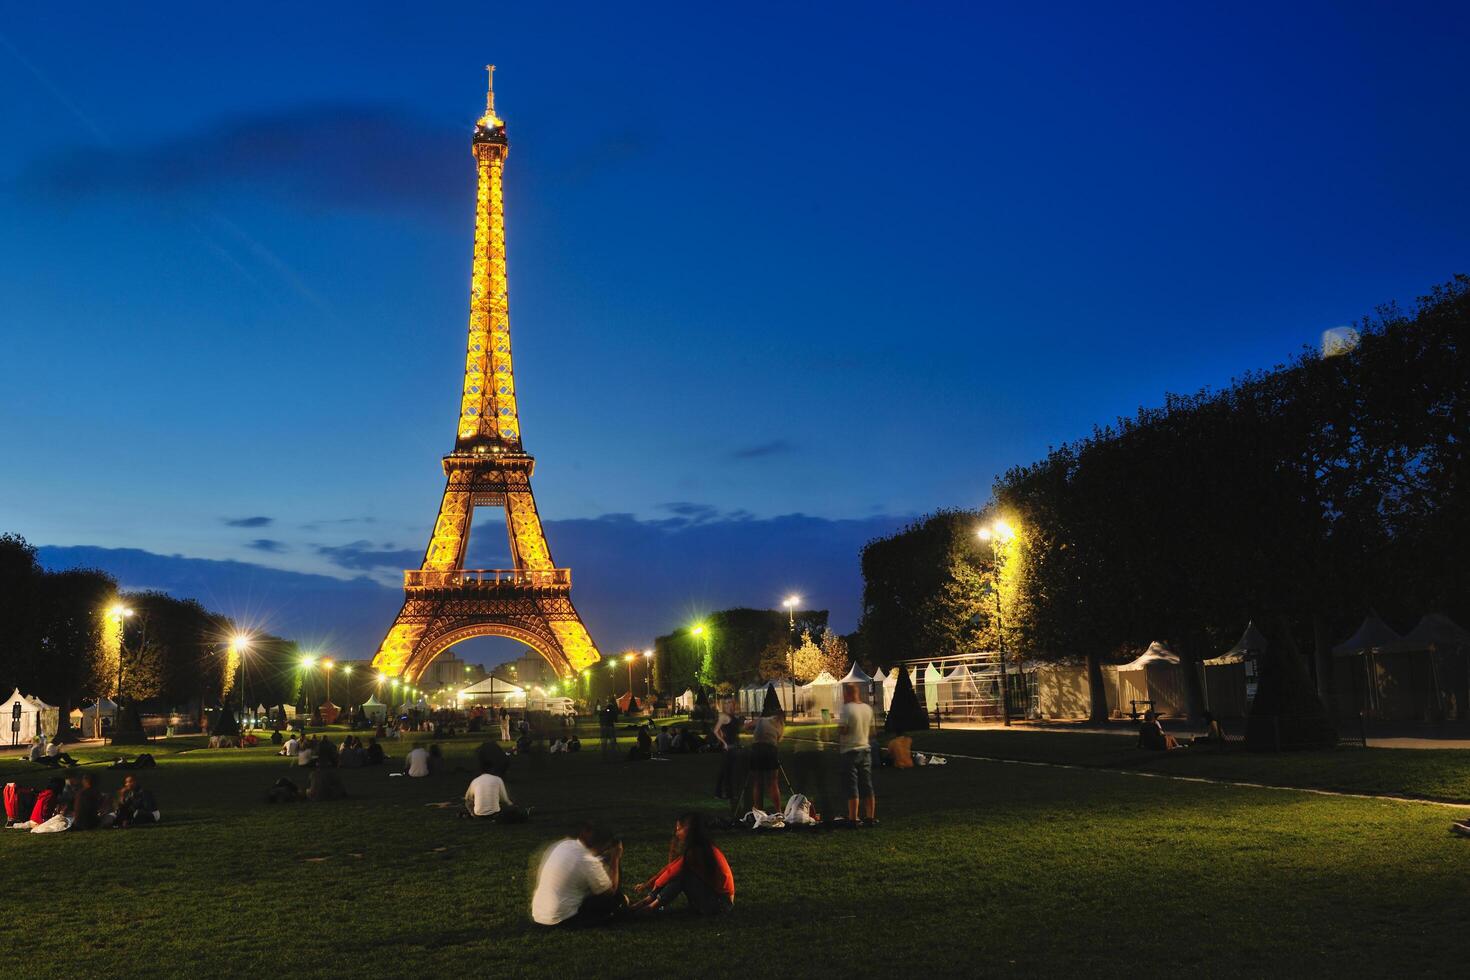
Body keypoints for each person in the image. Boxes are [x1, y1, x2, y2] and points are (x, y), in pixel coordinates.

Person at [632, 812, 734, 915]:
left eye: (679, 829)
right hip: (720, 901)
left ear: (689, 830)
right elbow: (671, 868)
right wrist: (648, 885)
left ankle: (650, 907)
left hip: (721, 905)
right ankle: (650, 904)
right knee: (680, 874)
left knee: (683, 876)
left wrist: (654, 888)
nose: (676, 833)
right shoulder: (701, 848)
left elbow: (672, 872)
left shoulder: (696, 852)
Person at [531, 825, 625, 927]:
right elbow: (610, 892)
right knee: (616, 900)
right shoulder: (588, 860)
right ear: (602, 844)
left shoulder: (565, 845)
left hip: (540, 915)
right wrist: (615, 857)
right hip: (563, 919)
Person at [837, 683, 878, 827]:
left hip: (850, 750)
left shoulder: (846, 709)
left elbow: (844, 730)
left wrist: (836, 728)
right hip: (865, 749)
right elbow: (873, 732)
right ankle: (870, 816)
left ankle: (853, 818)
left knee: (852, 785)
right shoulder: (867, 708)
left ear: (847, 694)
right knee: (867, 784)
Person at [747, 710, 785, 813]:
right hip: (770, 750)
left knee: (758, 783)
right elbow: (778, 739)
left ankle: (758, 811)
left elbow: (747, 726)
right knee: (773, 782)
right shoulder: (780, 725)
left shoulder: (762, 720)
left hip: (757, 749)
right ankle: (778, 811)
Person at [462, 770, 527, 822]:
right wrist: (512, 804)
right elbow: (505, 800)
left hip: (478, 815)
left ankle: (473, 815)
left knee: (468, 802)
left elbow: (467, 798)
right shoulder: (498, 779)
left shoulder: (475, 780)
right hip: (495, 814)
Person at [713, 698, 744, 803]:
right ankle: (728, 794)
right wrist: (724, 742)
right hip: (729, 747)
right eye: (726, 703)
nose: (728, 704)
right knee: (727, 771)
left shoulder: (733, 716)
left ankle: (719, 793)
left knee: (725, 771)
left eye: (730, 702)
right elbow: (716, 731)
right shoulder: (724, 716)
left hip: (734, 746)